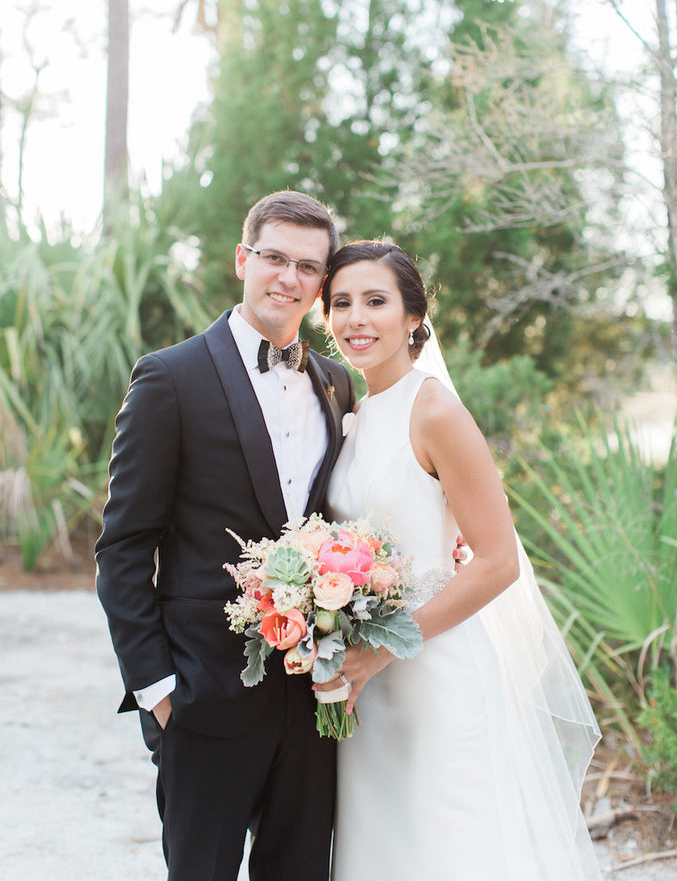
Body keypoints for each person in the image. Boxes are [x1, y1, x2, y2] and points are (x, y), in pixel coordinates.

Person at [318, 240, 603, 881]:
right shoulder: (354, 414)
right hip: (366, 683)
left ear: (414, 318)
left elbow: (498, 560)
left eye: (375, 301)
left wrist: (384, 650)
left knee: (452, 849)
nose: (356, 318)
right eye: (341, 303)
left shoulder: (436, 410)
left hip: (434, 672)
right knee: (384, 850)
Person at [95, 191, 355, 881]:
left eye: (308, 266)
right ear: (243, 259)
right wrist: (156, 690)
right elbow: (123, 546)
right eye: (273, 257)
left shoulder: (337, 385)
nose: (288, 278)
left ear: (321, 283)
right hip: (203, 698)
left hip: (313, 699)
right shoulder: (169, 378)